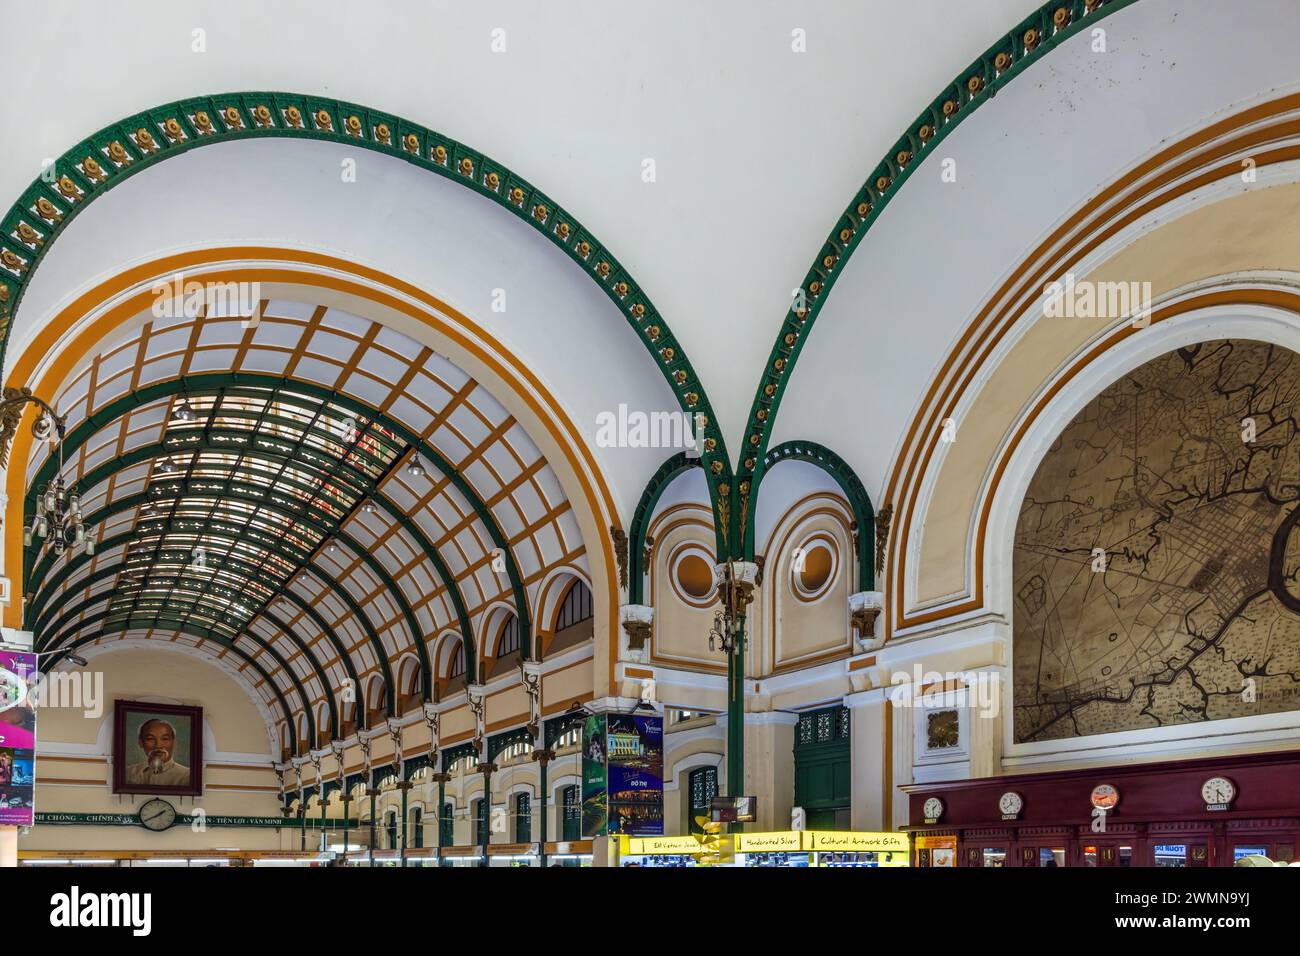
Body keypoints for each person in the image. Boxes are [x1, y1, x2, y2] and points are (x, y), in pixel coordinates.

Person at [124, 718, 191, 786]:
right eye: (150, 739)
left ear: (174, 743)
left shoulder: (187, 776)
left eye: (165, 739)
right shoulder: (128, 773)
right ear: (141, 743)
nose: (158, 745)